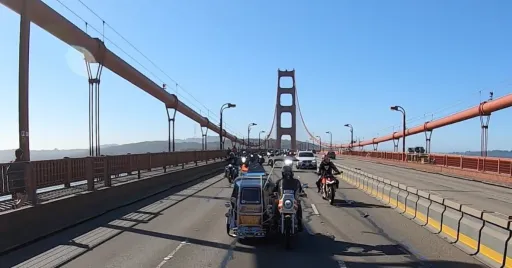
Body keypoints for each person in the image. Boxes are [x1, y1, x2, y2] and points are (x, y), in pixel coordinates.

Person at [273, 165, 304, 232]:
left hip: (293, 199)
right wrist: (273, 193)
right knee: (276, 203)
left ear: (291, 173)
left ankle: (299, 222)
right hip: (282, 199)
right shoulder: (279, 181)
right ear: (283, 173)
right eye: (285, 172)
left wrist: (302, 193)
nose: (287, 174)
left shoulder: (296, 181)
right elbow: (274, 189)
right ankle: (275, 221)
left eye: (288, 172)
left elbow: (300, 190)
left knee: (299, 203)